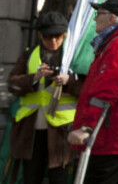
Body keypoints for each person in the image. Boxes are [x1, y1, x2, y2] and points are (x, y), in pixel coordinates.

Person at [67, 0, 118, 184]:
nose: (95, 18)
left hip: (110, 136)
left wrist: (87, 127)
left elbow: (106, 90)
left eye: (98, 13)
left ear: (112, 18)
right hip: (114, 135)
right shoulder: (115, 42)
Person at [7, 11, 84, 184]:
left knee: (59, 179)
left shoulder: (73, 58)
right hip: (31, 130)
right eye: (48, 37)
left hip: (61, 132)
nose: (54, 42)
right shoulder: (29, 55)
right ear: (40, 35)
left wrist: (69, 80)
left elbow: (87, 89)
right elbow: (12, 84)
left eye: (58, 37)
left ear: (64, 35)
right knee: (31, 178)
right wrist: (33, 78)